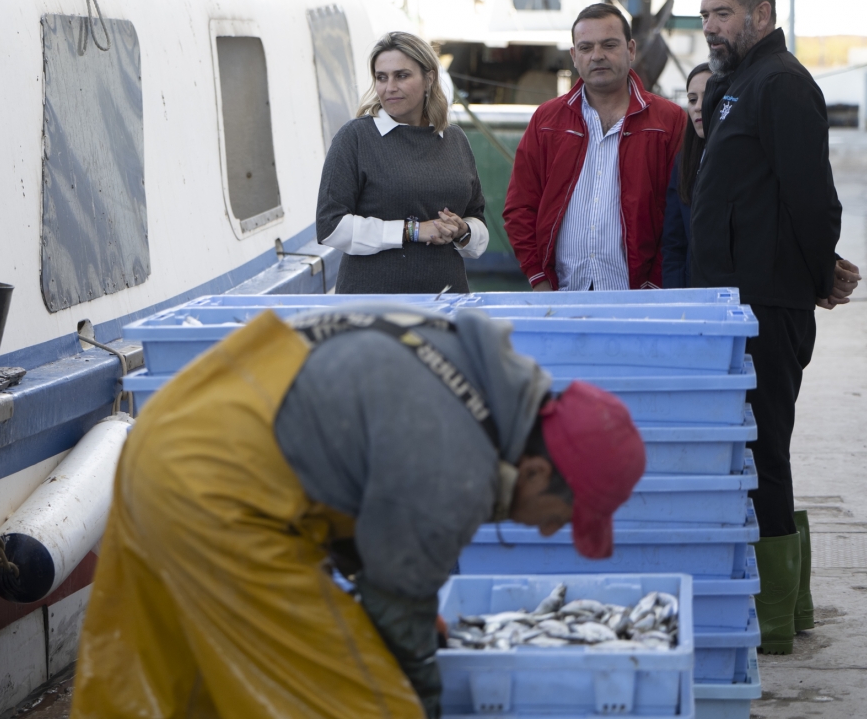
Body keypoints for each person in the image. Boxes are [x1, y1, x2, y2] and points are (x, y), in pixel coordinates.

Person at [71, 305, 646, 719]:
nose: (548, 530)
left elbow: (354, 471)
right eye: (559, 517)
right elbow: (398, 621)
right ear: (539, 473)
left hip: (168, 434)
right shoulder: (459, 465)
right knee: (367, 704)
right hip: (216, 494)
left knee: (167, 687)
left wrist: (406, 602)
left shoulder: (461, 362)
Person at [690, 0, 861, 654]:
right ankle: (790, 606)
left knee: (762, 451)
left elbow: (810, 196)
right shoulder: (737, 84)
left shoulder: (782, 84)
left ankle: (773, 622)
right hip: (735, 300)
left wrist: (819, 273)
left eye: (722, 14)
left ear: (760, 14)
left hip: (766, 303)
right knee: (753, 450)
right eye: (704, 16)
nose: (709, 27)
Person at [504, 3, 687, 291]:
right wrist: (538, 278)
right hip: (562, 292)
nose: (597, 55)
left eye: (609, 45)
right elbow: (520, 207)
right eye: (586, 47)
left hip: (638, 296)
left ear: (631, 50)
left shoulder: (669, 121)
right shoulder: (546, 121)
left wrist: (655, 286)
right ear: (574, 56)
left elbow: (679, 215)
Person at [316, 31, 488, 294]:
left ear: (429, 78)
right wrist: (413, 230)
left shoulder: (455, 140)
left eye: (402, 76)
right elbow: (331, 227)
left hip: (447, 303)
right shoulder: (356, 137)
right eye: (381, 77)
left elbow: (477, 223)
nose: (389, 87)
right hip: (371, 308)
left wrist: (463, 230)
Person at [661, 64, 712, 287]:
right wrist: (676, 299)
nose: (698, 107)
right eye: (692, 99)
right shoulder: (684, 163)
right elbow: (674, 245)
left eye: (708, 96)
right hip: (693, 297)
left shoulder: (747, 158)